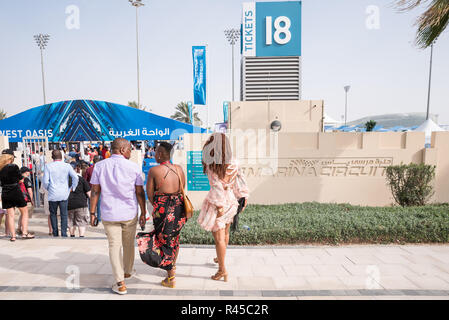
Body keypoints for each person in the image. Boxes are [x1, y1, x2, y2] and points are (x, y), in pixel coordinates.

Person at [89, 138, 146, 295]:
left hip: (109, 213)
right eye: (129, 149)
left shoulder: (99, 166)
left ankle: (120, 283)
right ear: (122, 150)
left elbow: (95, 191)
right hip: (129, 213)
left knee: (114, 246)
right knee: (128, 244)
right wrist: (143, 212)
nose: (130, 152)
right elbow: (140, 192)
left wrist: (92, 213)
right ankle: (127, 271)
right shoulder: (133, 167)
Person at [197, 133, 249, 282]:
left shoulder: (212, 164)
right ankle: (220, 259)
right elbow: (241, 181)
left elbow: (218, 186)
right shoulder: (234, 162)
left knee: (218, 238)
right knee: (225, 234)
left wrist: (219, 207)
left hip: (218, 203)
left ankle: (222, 270)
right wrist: (243, 198)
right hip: (232, 201)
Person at [138, 142, 187, 289]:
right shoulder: (179, 169)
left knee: (163, 240)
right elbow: (182, 188)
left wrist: (160, 206)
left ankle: (171, 276)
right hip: (179, 208)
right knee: (174, 238)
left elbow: (151, 195)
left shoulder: (154, 170)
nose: (154, 154)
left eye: (156, 152)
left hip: (163, 209)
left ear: (159, 154)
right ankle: (171, 266)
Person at [0, 149, 35, 241]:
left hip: (5, 192)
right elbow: (21, 179)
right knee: (24, 212)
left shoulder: (0, 168)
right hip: (15, 190)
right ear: (11, 158)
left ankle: (13, 236)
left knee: (10, 215)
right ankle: (24, 233)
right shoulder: (14, 166)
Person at [43, 150, 79, 237]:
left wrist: (49, 188)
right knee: (64, 214)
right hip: (64, 193)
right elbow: (75, 177)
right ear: (62, 157)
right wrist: (72, 188)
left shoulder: (48, 166)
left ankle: (55, 233)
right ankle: (63, 233)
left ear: (52, 157)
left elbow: (45, 181)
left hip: (53, 193)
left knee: (53, 214)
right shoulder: (67, 166)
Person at [68, 164, 91, 237]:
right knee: (81, 221)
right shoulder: (81, 179)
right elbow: (88, 192)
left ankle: (72, 235)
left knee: (70, 221)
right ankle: (81, 236)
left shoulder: (65, 180)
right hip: (81, 203)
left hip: (69, 203)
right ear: (76, 169)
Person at [16, 167, 35, 236]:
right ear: (25, 172)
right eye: (28, 171)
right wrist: (32, 200)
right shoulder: (26, 179)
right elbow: (30, 191)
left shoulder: (17, 179)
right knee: (25, 215)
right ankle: (24, 231)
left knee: (22, 214)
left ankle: (19, 228)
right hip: (25, 200)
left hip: (18, 198)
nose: (29, 173)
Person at [84, 155, 101, 221]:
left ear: (93, 162)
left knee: (91, 204)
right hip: (99, 189)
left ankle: (92, 218)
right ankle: (99, 218)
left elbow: (85, 180)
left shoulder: (88, 170)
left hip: (90, 189)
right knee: (99, 205)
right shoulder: (101, 170)